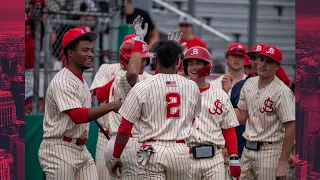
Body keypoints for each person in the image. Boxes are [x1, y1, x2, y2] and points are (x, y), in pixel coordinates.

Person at [109, 37, 202, 179]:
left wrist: (116, 156)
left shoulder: (143, 86)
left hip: (152, 150)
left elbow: (125, 128)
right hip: (180, 150)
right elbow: (193, 119)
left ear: (156, 61)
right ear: (178, 62)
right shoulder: (192, 86)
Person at [37, 28, 122, 180]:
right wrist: (111, 106)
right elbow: (77, 116)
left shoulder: (80, 80)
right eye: (85, 50)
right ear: (70, 53)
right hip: (59, 149)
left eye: (91, 50)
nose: (90, 54)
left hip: (80, 148)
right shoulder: (63, 80)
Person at [226, 45, 295, 180]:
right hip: (247, 150)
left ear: (277, 66)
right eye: (261, 59)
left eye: (268, 61)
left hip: (270, 152)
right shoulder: (249, 83)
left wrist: (282, 162)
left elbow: (291, 128)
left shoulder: (282, 91)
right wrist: (220, 111)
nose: (262, 64)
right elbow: (242, 116)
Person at [90, 33, 152, 180]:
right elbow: (100, 95)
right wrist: (122, 72)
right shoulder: (108, 69)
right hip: (108, 134)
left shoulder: (144, 75)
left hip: (131, 137)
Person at [182, 46, 241, 179]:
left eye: (198, 63)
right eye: (190, 63)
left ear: (207, 66)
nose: (194, 67)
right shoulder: (178, 91)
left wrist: (234, 158)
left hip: (214, 159)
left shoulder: (220, 94)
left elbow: (229, 129)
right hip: (185, 157)